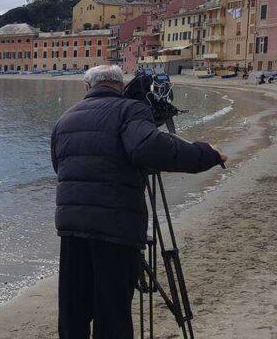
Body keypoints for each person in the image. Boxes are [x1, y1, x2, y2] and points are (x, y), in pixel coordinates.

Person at [50, 65, 227, 339]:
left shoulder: (64, 119)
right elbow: (150, 149)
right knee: (113, 313)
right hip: (116, 228)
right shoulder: (130, 110)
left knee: (74, 310)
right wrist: (205, 153)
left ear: (87, 88)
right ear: (120, 86)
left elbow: (59, 166)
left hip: (71, 227)